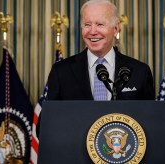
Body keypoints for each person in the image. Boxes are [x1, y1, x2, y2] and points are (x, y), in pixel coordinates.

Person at [37, 0, 155, 137]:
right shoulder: (61, 72)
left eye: (100, 24)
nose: (93, 31)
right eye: (87, 25)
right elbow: (45, 127)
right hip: (75, 156)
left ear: (115, 28)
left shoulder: (140, 72)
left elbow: (150, 125)